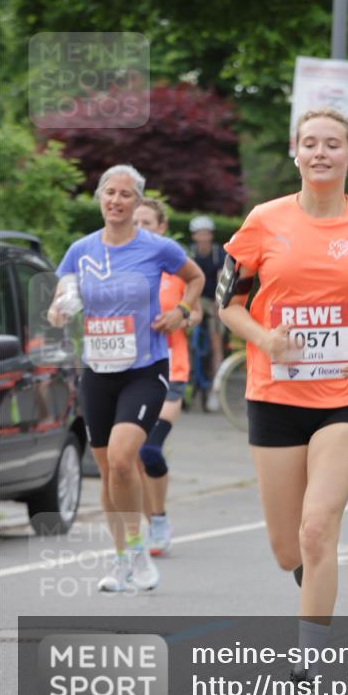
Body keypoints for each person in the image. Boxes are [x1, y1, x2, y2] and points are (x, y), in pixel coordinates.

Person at [218, 109, 348, 695]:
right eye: (309, 143)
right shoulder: (262, 221)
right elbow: (226, 303)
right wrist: (266, 339)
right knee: (287, 550)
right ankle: (314, 596)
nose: (320, 152)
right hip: (274, 397)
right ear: (295, 153)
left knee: (317, 527)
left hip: (345, 398)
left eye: (333, 144)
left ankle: (307, 672)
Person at [48, 166, 204, 592]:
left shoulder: (158, 248)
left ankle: (139, 552)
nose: (116, 200)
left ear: (138, 202)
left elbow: (196, 278)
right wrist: (58, 310)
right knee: (107, 469)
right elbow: (61, 298)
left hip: (145, 370)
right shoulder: (79, 251)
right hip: (98, 371)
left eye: (125, 194)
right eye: (109, 193)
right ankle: (122, 562)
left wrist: (182, 311)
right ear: (100, 198)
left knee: (122, 458)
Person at [134, 198, 203, 556]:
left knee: (149, 450)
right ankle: (149, 523)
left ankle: (159, 519)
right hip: (129, 371)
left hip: (171, 369)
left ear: (161, 228)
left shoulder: (174, 266)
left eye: (147, 222)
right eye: (136, 222)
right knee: (131, 456)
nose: (141, 228)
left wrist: (182, 316)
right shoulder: (122, 264)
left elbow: (197, 312)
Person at [190, 215, 226, 408]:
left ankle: (215, 390)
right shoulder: (191, 253)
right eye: (199, 233)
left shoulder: (217, 253)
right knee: (186, 333)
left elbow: (222, 278)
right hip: (196, 298)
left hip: (213, 299)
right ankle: (189, 382)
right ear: (194, 236)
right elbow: (187, 278)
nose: (203, 237)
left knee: (216, 342)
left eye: (206, 233)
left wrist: (219, 302)